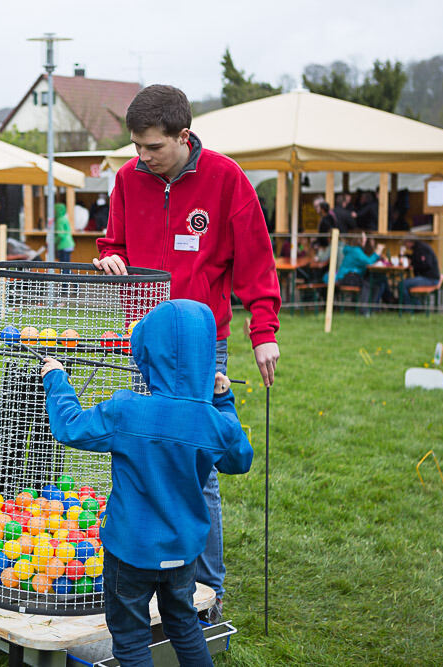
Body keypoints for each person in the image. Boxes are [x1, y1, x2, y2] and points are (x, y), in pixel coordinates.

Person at [92, 84, 279, 621]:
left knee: (196, 464)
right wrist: (110, 256)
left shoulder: (226, 180)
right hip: (142, 338)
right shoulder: (129, 180)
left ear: (184, 136)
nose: (141, 158)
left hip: (202, 346)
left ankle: (205, 588)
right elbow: (115, 241)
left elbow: (256, 264)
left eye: (153, 148)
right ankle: (144, 571)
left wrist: (262, 330)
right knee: (140, 453)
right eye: (136, 147)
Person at [40, 300, 253, 667]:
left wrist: (56, 376)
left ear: (149, 354)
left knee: (131, 638)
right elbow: (240, 458)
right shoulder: (211, 421)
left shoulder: (127, 410)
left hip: (130, 552)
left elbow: (69, 426)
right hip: (183, 550)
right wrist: (224, 400)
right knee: (184, 623)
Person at [327, 232, 388, 312]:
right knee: (367, 284)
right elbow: (368, 261)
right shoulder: (355, 251)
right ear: (359, 240)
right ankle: (364, 310)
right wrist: (377, 251)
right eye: (364, 238)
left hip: (350, 276)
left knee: (379, 282)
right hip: (347, 278)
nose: (366, 239)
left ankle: (373, 308)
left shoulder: (355, 250)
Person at [400, 237, 440, 309]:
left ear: (410, 242)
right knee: (407, 282)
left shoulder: (422, 249)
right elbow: (417, 259)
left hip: (430, 279)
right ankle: (416, 305)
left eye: (405, 244)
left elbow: (426, 264)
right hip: (429, 277)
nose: (405, 246)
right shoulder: (419, 248)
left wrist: (413, 266)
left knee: (402, 284)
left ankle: (409, 308)